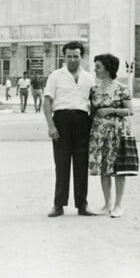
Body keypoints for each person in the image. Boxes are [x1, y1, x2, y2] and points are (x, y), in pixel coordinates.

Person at [43, 41, 96, 217]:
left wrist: (93, 126)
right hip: (61, 120)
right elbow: (47, 101)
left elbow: (93, 104)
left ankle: (82, 205)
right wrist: (51, 126)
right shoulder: (55, 76)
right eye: (69, 56)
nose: (72, 59)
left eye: (76, 56)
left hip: (82, 121)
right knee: (62, 164)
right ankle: (58, 205)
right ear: (64, 57)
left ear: (82, 57)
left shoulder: (89, 78)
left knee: (81, 164)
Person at [88, 53, 134, 218]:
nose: (95, 69)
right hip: (99, 133)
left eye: (98, 66)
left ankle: (118, 205)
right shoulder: (94, 89)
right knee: (103, 168)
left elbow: (130, 111)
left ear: (108, 68)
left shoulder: (122, 88)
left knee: (117, 169)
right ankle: (107, 203)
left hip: (116, 132)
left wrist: (111, 110)